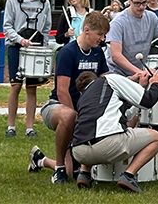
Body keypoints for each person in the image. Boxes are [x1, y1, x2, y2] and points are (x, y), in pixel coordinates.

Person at [29, 11, 110, 185]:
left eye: (104, 35)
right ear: (87, 30)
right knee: (69, 117)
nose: (102, 39)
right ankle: (58, 169)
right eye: (100, 34)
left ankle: (40, 160)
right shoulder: (67, 52)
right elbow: (62, 91)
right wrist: (80, 118)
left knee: (73, 172)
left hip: (84, 110)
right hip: (57, 106)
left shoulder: (98, 53)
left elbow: (106, 80)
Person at [70, 68, 158, 193]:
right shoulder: (110, 79)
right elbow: (147, 101)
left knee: (91, 128)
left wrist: (138, 85)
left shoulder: (84, 98)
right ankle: (128, 176)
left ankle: (84, 174)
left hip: (78, 152)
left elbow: (124, 112)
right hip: (107, 146)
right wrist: (156, 84)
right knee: (156, 137)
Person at [3, 0, 52, 138]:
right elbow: (7, 26)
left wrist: (43, 46)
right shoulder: (13, 0)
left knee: (32, 88)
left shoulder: (44, 2)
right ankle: (11, 126)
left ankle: (29, 127)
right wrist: (19, 40)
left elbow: (47, 27)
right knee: (15, 86)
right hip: (17, 47)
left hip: (35, 49)